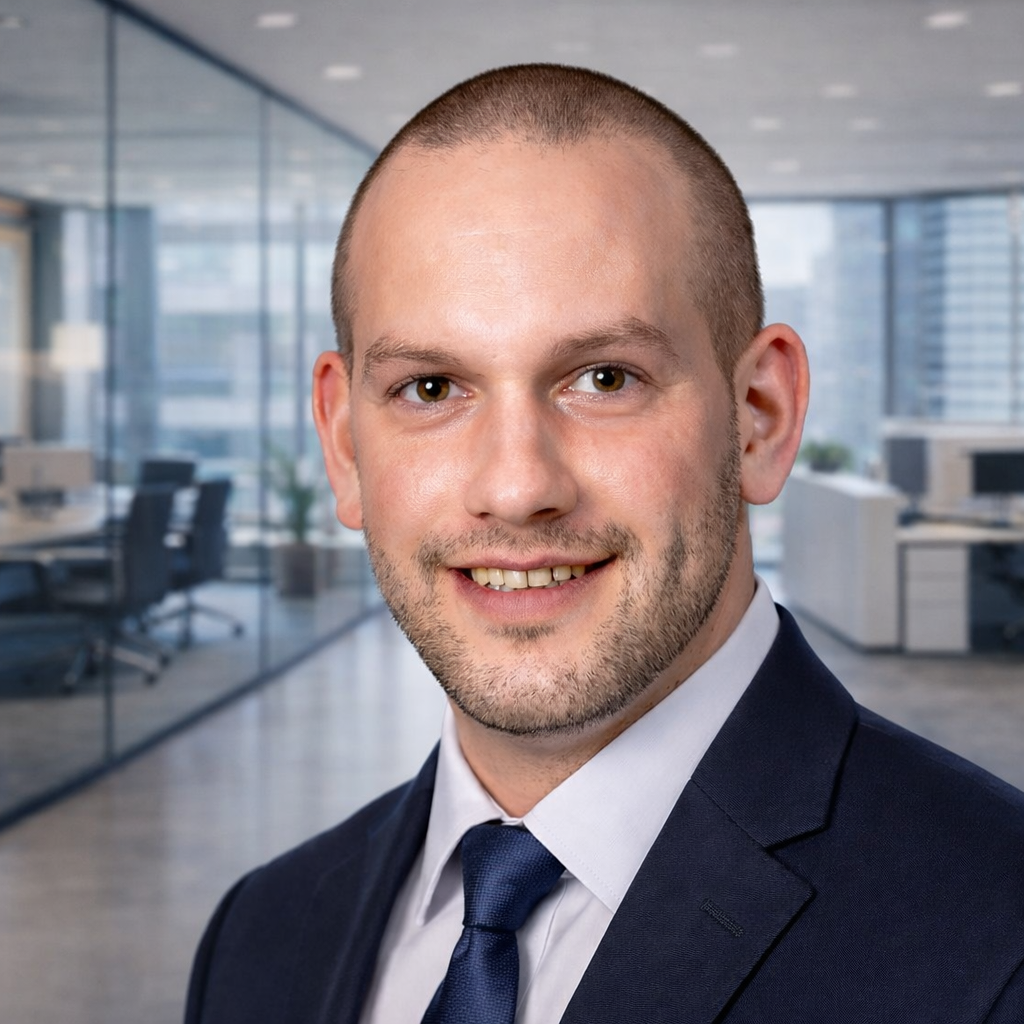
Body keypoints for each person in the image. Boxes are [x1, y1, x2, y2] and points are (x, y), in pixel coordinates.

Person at [185, 64, 1024, 1023]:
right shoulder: (264, 931)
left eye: (605, 378)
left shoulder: (999, 940)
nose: (516, 486)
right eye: (430, 389)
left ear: (760, 417)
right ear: (342, 444)